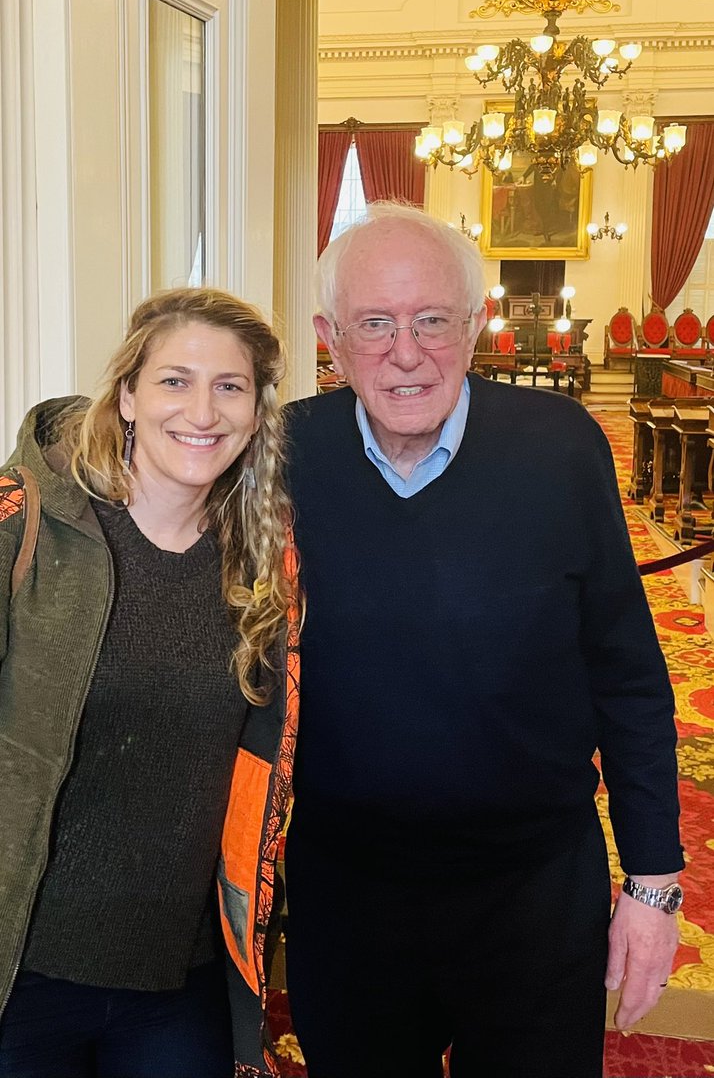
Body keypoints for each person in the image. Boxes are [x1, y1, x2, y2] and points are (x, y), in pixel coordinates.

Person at [283, 202, 683, 1078]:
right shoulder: (284, 457)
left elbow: (626, 673)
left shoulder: (561, 447)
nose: (406, 352)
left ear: (474, 326)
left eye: (432, 320)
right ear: (329, 338)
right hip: (348, 899)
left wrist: (653, 882)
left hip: (534, 895)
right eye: (374, 324)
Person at [0, 287, 299, 1078]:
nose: (202, 411)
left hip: (181, 980)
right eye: (174, 380)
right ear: (127, 395)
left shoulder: (265, 569)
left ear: (256, 411)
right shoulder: (26, 529)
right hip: (23, 976)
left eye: (229, 386)